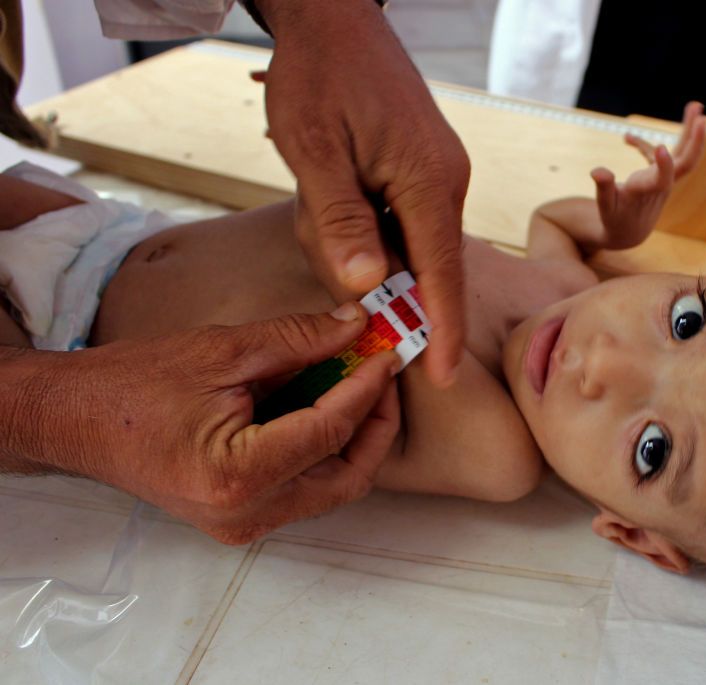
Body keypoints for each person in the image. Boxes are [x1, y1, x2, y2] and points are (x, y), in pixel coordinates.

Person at [1, 100, 706, 594]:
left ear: (634, 531)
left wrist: (342, 215)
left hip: (69, 342)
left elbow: (358, 355)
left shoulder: (498, 449)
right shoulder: (577, 295)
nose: (601, 363)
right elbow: (551, 230)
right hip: (117, 229)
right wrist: (613, 223)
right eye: (685, 322)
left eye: (651, 448)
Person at [0, 0, 469, 543]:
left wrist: (324, 18)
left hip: (90, 236)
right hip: (51, 328)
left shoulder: (513, 434)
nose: (591, 360)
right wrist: (40, 413)